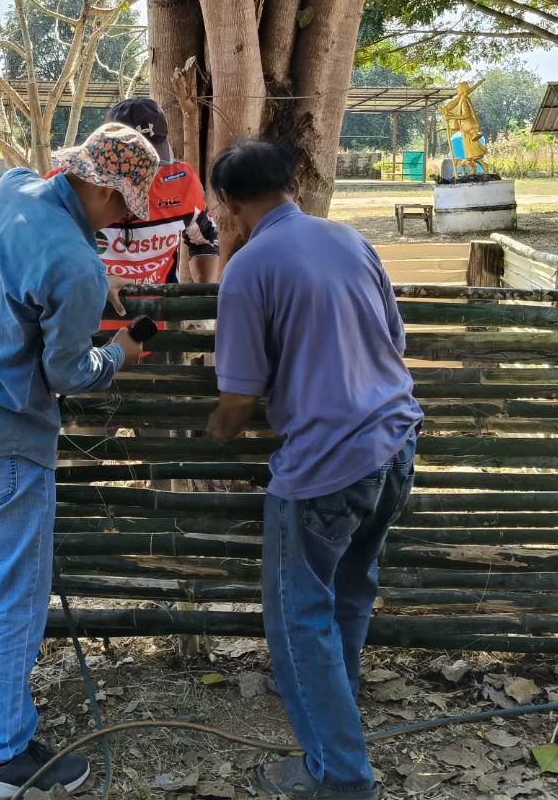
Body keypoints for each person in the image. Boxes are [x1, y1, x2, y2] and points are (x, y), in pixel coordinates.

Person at [0, 122, 159, 800]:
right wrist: (118, 355)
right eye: (122, 208)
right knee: (17, 594)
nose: (119, 223)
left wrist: (92, 275)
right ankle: (2, 755)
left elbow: (32, 267)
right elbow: (68, 372)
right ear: (109, 190)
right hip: (7, 444)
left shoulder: (10, 190)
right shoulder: (74, 263)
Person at [204, 140, 423, 800]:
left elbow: (239, 396)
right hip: (394, 447)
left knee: (297, 618)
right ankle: (337, 719)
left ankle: (338, 776)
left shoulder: (246, 270)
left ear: (231, 207)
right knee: (349, 591)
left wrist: (213, 439)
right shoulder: (348, 240)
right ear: (291, 187)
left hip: (326, 467)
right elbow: (395, 339)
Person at [83, 97, 221, 290]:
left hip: (159, 312)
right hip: (91, 310)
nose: (143, 170)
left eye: (151, 160)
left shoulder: (182, 180)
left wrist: (203, 293)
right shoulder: (76, 184)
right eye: (132, 159)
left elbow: (204, 236)